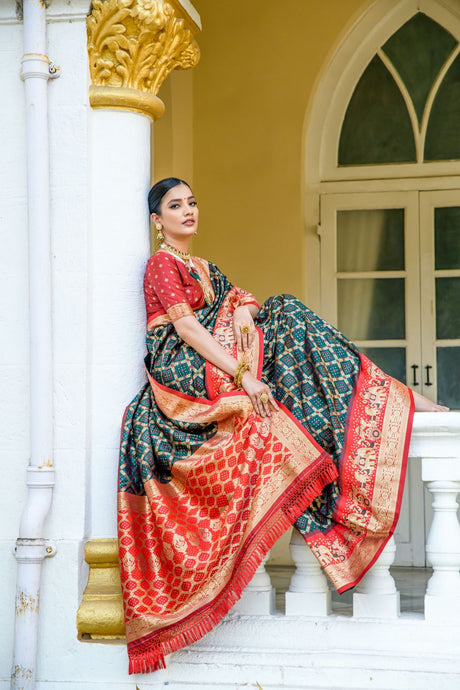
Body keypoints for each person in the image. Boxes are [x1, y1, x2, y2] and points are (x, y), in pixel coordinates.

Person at [118, 177, 447, 674]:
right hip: (182, 365)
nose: (188, 211)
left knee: (287, 312)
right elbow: (185, 327)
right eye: (175, 205)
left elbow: (242, 298)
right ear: (156, 220)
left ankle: (381, 394)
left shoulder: (203, 266)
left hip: (221, 351)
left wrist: (246, 317)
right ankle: (393, 395)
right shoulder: (161, 264)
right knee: (289, 323)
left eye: (192, 202)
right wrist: (243, 374)